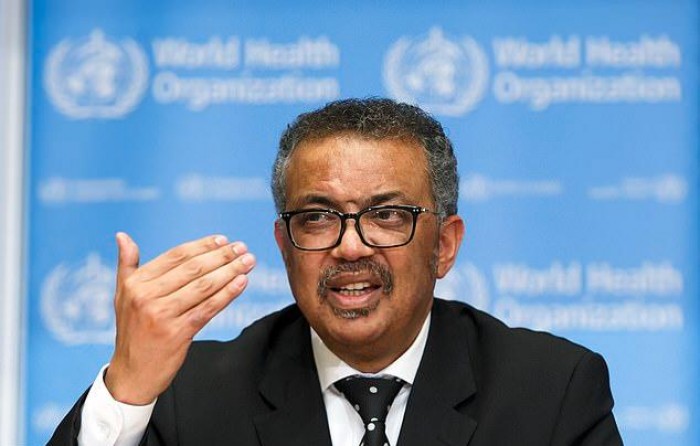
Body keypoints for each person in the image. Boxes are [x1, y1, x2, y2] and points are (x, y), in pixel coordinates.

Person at [50, 98, 623, 445]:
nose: (350, 247)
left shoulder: (550, 391)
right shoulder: (188, 395)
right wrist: (128, 390)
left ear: (445, 246)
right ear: (285, 246)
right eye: (318, 218)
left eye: (387, 215)